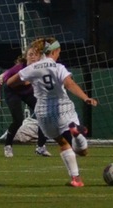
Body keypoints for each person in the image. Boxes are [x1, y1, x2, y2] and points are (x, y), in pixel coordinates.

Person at [17, 38, 99, 186]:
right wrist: (85, 98)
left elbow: (12, 81)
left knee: (62, 142)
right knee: (82, 151)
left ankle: (76, 179)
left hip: (43, 112)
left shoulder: (33, 68)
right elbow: (69, 84)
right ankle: (77, 133)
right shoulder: (58, 67)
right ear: (54, 52)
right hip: (63, 109)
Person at [0, 39, 50, 158]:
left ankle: (41, 147)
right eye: (30, 54)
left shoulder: (41, 68)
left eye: (36, 54)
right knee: (18, 120)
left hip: (28, 92)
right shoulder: (18, 68)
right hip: (13, 92)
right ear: (26, 56)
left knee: (44, 115)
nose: (33, 57)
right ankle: (8, 145)